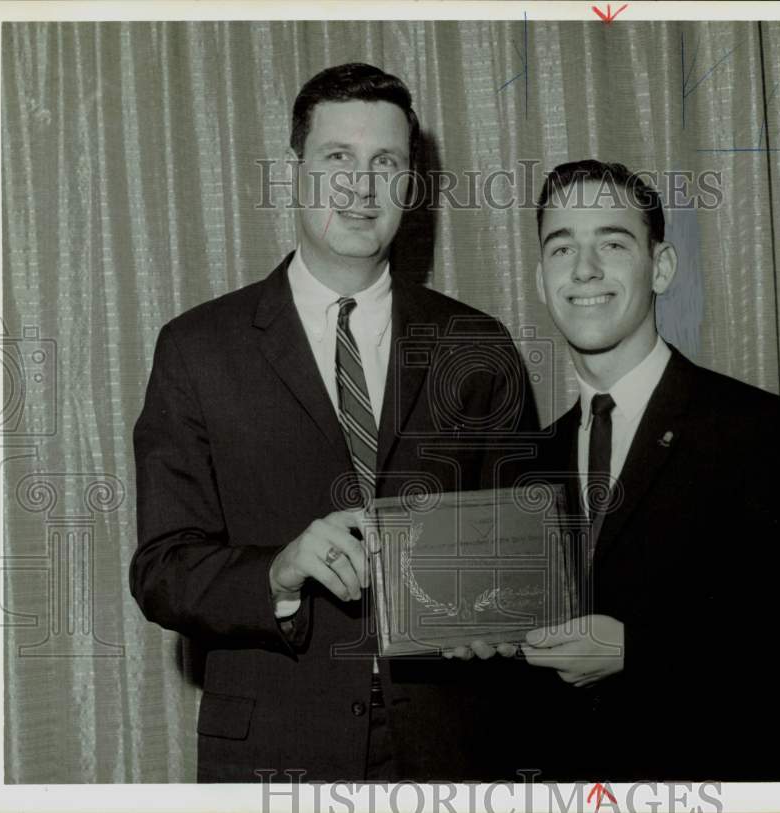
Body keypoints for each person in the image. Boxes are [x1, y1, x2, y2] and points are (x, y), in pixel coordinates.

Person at [130, 63, 538, 782]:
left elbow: (526, 556)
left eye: (387, 162)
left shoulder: (478, 344)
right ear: (295, 172)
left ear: (412, 185)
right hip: (273, 753)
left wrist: (502, 621)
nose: (362, 185)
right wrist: (278, 572)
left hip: (455, 752)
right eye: (337, 158)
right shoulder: (198, 348)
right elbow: (162, 569)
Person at [513, 159, 780, 780]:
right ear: (540, 278)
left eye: (612, 242)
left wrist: (644, 653)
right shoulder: (530, 462)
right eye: (562, 249)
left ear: (660, 266)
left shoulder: (761, 432)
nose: (584, 270)